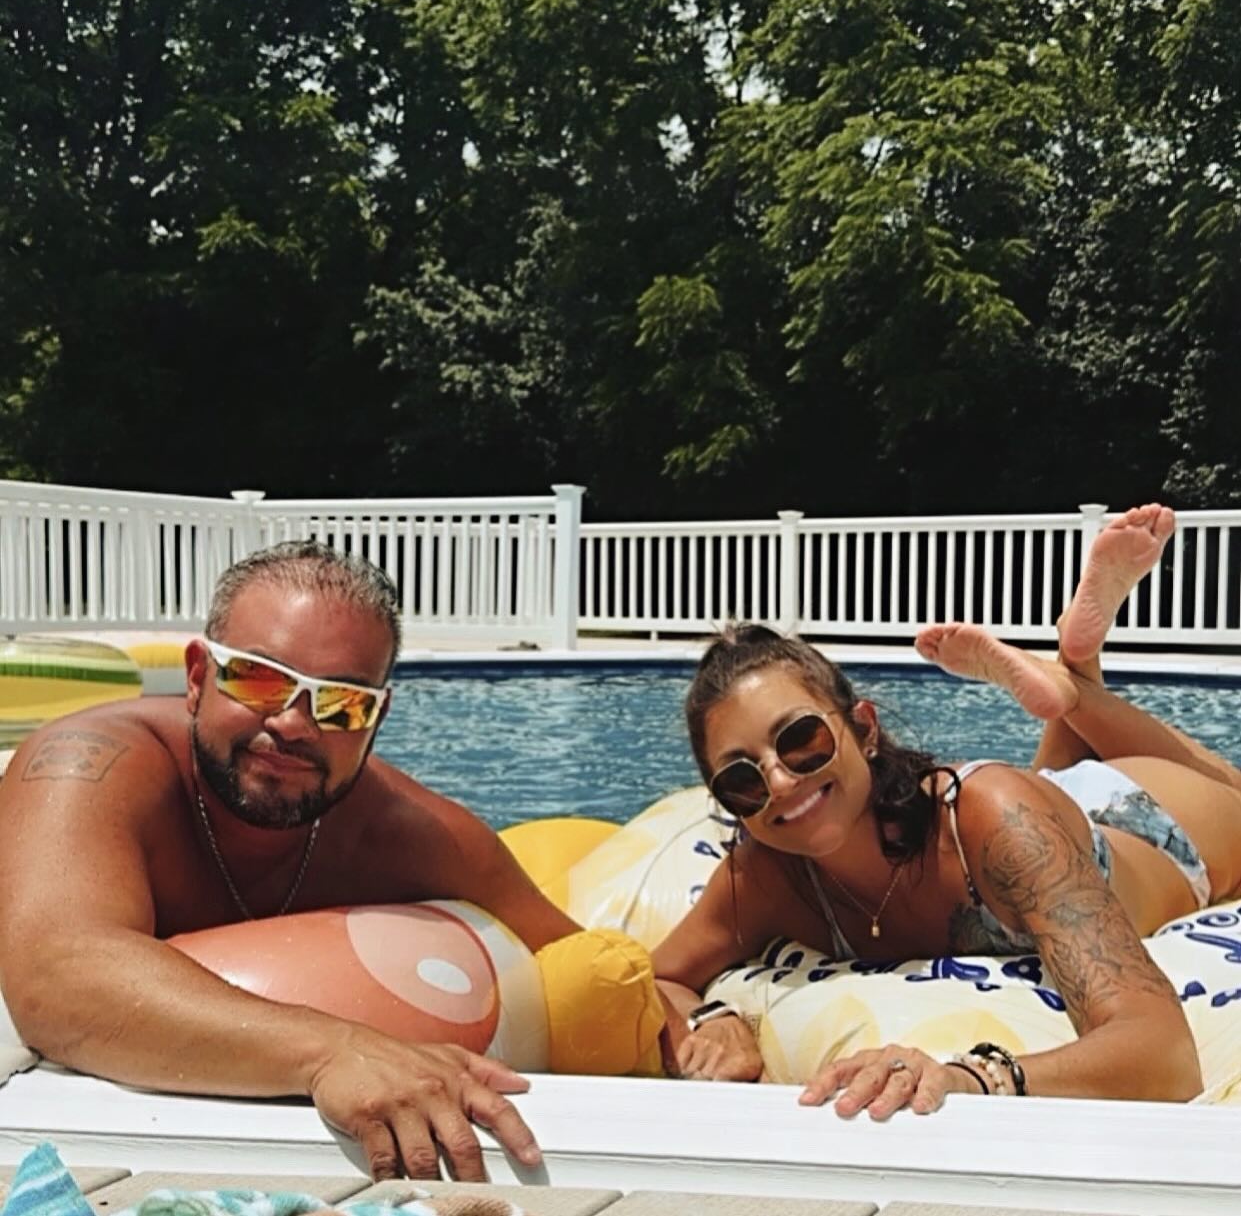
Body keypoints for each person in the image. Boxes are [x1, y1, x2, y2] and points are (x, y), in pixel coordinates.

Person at [0, 541, 585, 1181]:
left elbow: (571, 954)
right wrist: (333, 1048)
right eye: (258, 678)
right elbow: (55, 978)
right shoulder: (90, 768)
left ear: (378, 718)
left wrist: (705, 1026)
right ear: (197, 677)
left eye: (342, 702)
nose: (294, 723)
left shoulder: (406, 829)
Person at [654, 504, 1241, 1114]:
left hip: (1152, 823)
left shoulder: (992, 819)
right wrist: (712, 1018)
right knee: (1040, 793)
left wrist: (974, 1079)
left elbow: (1164, 1057)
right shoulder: (763, 876)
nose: (777, 780)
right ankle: (1074, 668)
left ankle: (1073, 690)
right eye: (741, 779)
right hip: (1044, 808)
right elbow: (659, 976)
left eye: (802, 739)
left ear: (864, 729)